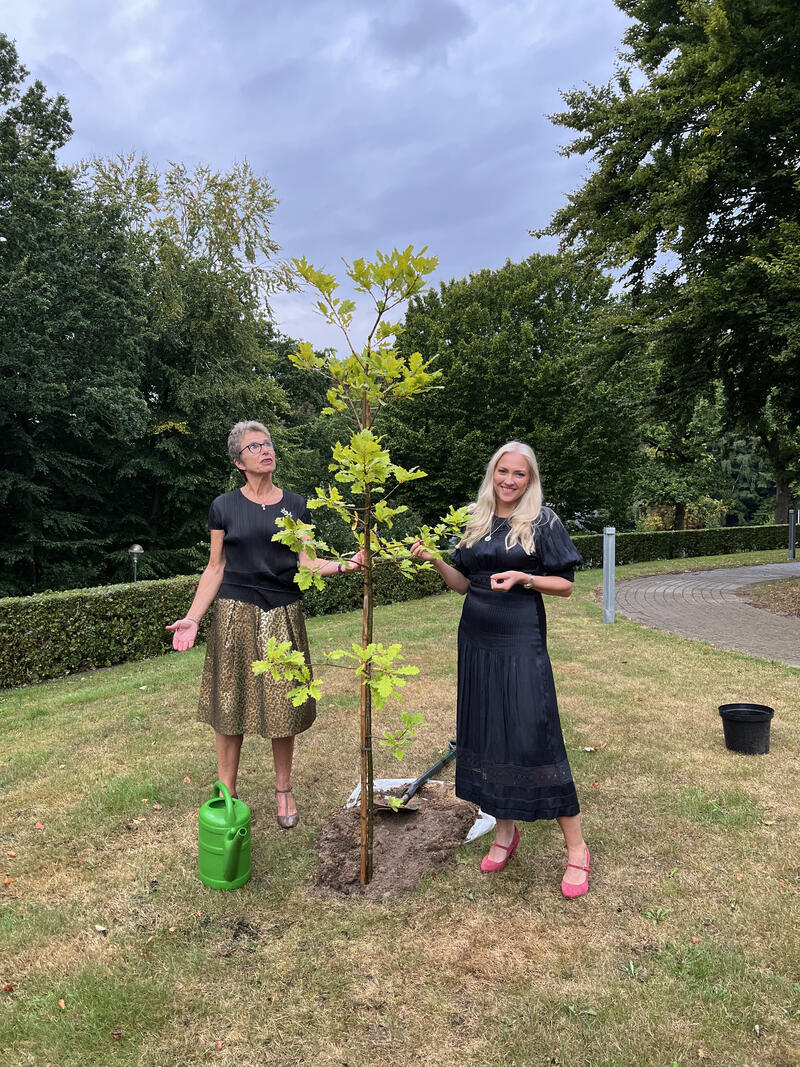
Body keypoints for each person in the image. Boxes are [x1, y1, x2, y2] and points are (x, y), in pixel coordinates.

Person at [411, 441, 591, 897]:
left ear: (530, 480)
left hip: (520, 637)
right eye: (503, 472)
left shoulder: (541, 521)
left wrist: (524, 578)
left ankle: (577, 849)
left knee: (533, 732)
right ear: (492, 474)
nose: (510, 481)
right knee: (490, 730)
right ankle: (506, 832)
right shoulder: (476, 518)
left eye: (520, 474)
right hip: (476, 639)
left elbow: (566, 585)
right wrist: (435, 560)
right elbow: (461, 584)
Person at [167, 420, 359, 829]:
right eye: (255, 446)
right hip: (235, 612)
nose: (266, 450)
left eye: (268, 443)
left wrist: (348, 564)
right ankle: (227, 792)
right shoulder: (223, 506)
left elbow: (307, 563)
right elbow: (215, 568)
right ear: (239, 461)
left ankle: (283, 789)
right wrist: (193, 618)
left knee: (283, 704)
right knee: (228, 701)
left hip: (283, 611)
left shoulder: (296, 504)